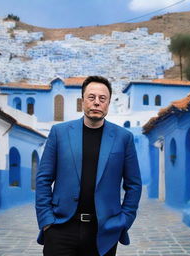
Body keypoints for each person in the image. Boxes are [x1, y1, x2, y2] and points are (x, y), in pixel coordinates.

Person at [36, 76, 142, 256]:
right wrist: (47, 220)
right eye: (91, 97)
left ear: (108, 103)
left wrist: (124, 220)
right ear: (82, 100)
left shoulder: (124, 138)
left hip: (104, 231)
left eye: (103, 99)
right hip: (61, 228)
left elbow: (134, 184)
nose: (97, 103)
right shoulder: (59, 133)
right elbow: (43, 178)